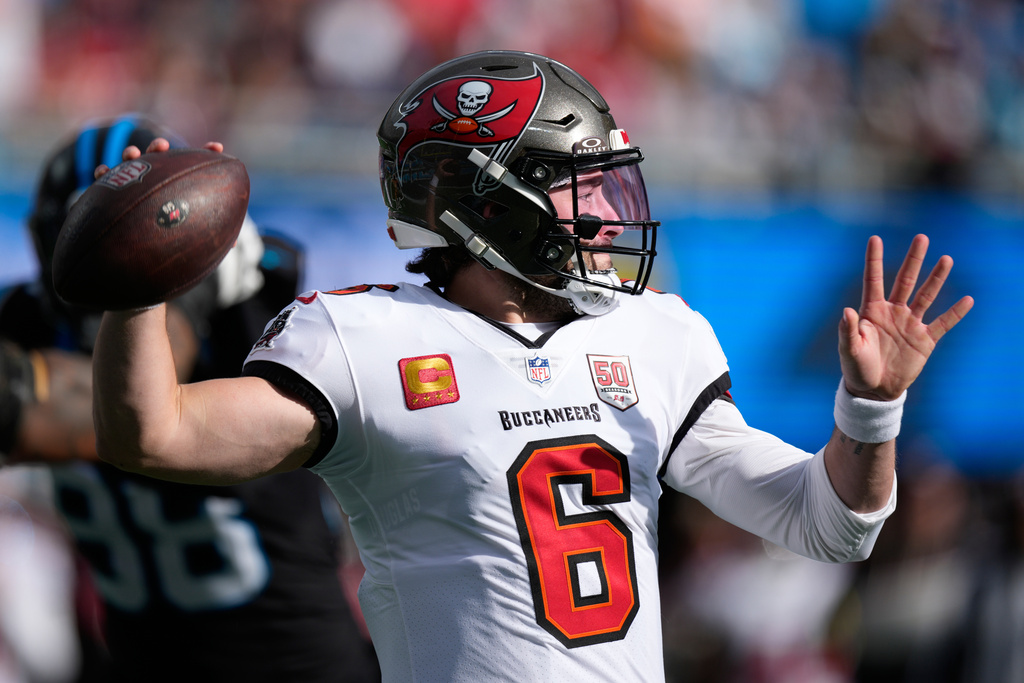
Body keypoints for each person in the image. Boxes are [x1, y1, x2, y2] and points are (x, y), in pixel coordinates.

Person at [88, 52, 973, 682]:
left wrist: (871, 409)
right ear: (484, 202)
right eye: (573, 184)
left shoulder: (656, 334)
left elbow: (832, 525)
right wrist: (135, 292)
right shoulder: (360, 339)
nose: (601, 211)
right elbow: (155, 435)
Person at [0, 115, 380, 682]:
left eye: (126, 250)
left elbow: (114, 402)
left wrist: (158, 286)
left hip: (292, 662)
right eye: (87, 246)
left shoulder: (252, 316)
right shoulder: (25, 319)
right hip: (136, 660)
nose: (100, 284)